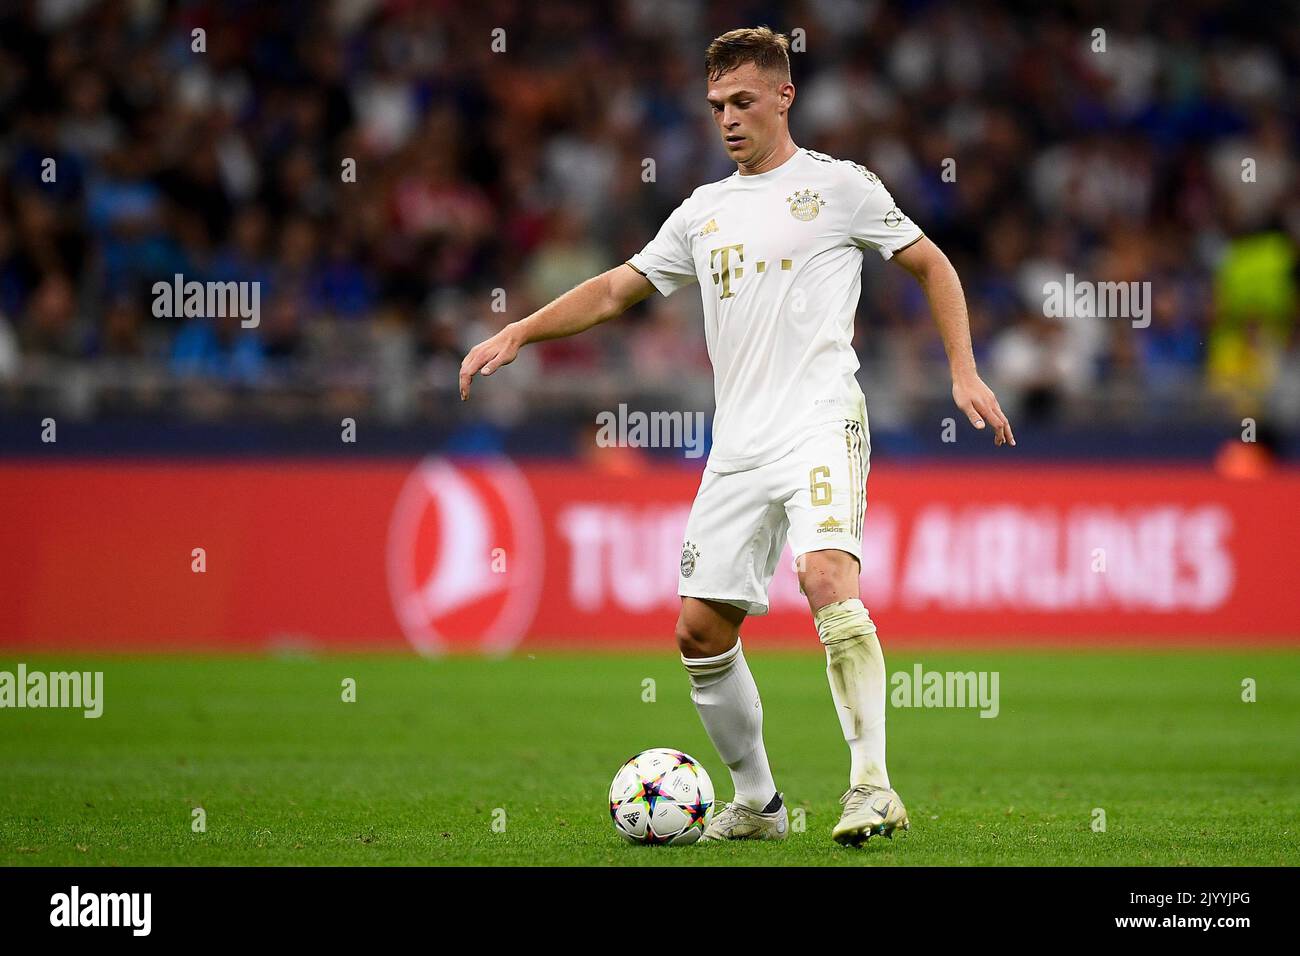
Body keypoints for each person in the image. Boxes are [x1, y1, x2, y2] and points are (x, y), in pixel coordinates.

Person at [459, 26, 1015, 846]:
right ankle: (758, 804)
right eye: (716, 104)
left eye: (743, 102)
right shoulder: (703, 210)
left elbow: (932, 264)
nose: (727, 118)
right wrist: (521, 332)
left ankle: (872, 787)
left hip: (822, 418)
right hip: (738, 445)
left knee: (827, 576)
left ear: (784, 97)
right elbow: (618, 288)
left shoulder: (840, 187)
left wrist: (963, 371)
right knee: (698, 629)